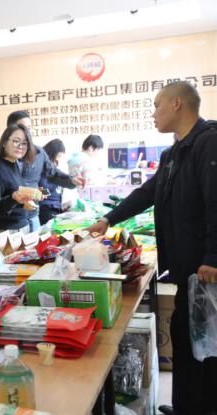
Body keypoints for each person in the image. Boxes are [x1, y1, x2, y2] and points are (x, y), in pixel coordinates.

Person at [86, 81, 217, 415]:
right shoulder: (174, 153)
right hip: (187, 269)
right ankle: (186, 406)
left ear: (177, 104)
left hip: (205, 271)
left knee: (206, 347)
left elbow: (216, 201)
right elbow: (148, 192)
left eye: (157, 105)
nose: (153, 113)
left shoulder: (208, 143)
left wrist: (213, 257)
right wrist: (109, 219)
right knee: (185, 337)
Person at [7, 110, 84, 231]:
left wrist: (71, 180)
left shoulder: (38, 153)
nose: (27, 132)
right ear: (10, 130)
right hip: (11, 219)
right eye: (23, 128)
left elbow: (52, 173)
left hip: (33, 215)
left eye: (29, 128)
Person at [0, 124, 37, 233]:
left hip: (21, 225)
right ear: (4, 142)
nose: (20, 146)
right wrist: (13, 197)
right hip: (6, 230)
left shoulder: (15, 164)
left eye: (24, 143)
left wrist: (25, 202)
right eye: (16, 141)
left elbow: (13, 195)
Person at [38, 138, 72, 225]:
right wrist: (56, 186)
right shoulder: (43, 167)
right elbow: (42, 188)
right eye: (59, 156)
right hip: (47, 207)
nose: (59, 159)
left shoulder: (54, 166)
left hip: (56, 206)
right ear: (53, 153)